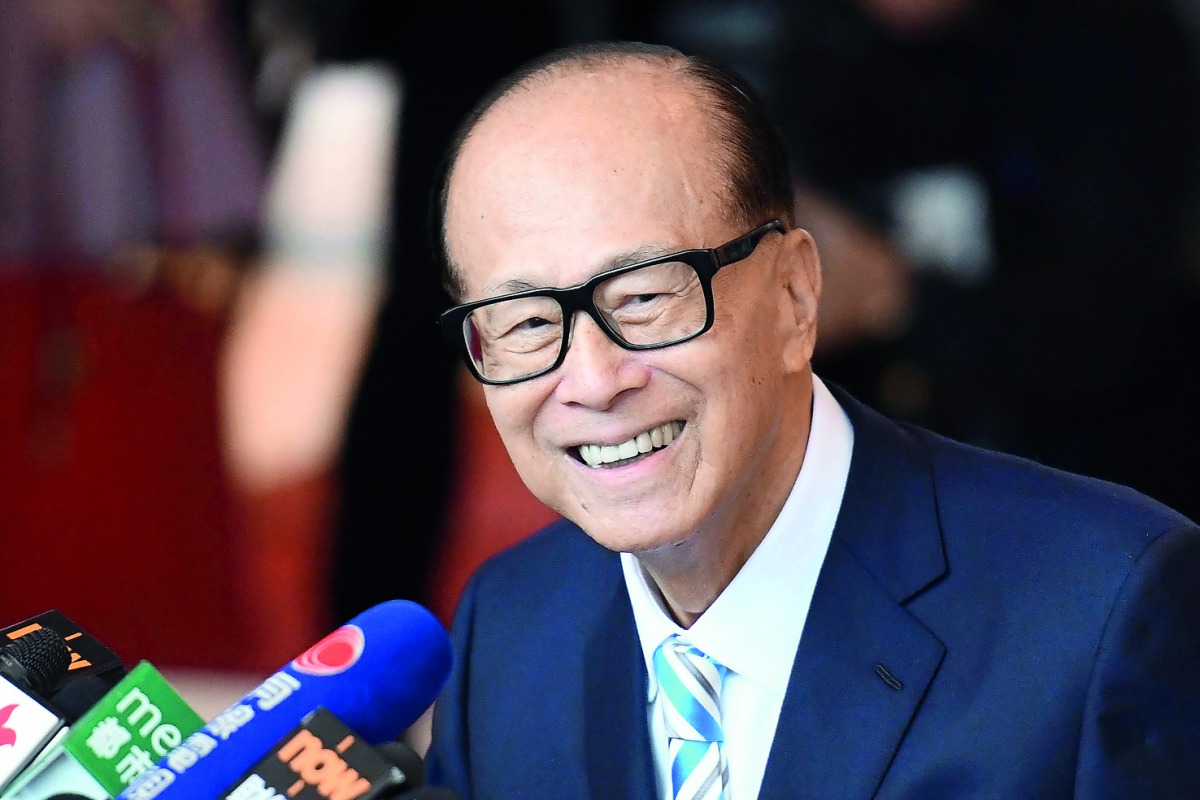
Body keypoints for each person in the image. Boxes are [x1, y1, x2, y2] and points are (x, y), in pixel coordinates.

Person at [424, 42, 1200, 799]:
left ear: (796, 295)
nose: (592, 380)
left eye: (645, 296)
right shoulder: (509, 627)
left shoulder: (1102, 608)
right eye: (524, 322)